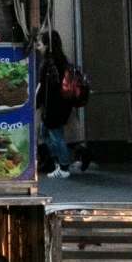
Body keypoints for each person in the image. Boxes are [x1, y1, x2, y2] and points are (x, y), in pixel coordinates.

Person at [36, 29, 90, 177]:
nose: (38, 47)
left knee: (55, 135)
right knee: (46, 133)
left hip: (53, 106)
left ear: (48, 46)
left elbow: (45, 88)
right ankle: (60, 164)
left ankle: (64, 167)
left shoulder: (48, 63)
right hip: (62, 105)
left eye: (40, 44)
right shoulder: (62, 61)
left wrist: (35, 103)